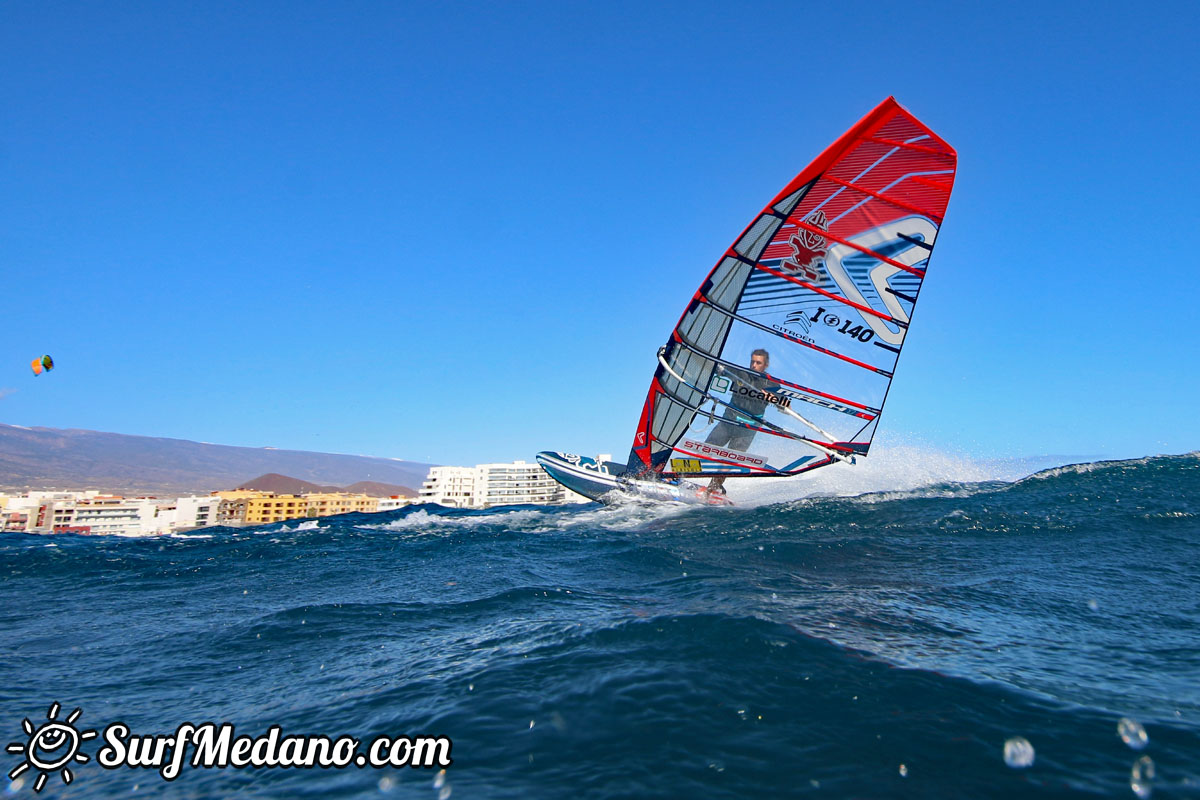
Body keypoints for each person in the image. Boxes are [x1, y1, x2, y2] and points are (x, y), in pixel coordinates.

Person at [704, 349, 782, 496]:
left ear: (766, 365)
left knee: (729, 461)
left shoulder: (773, 384)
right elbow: (716, 368)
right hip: (729, 421)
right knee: (705, 449)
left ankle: (713, 488)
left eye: (758, 363)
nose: (754, 365)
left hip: (748, 429)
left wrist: (773, 397)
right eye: (752, 361)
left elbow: (784, 407)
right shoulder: (740, 373)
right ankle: (678, 475)